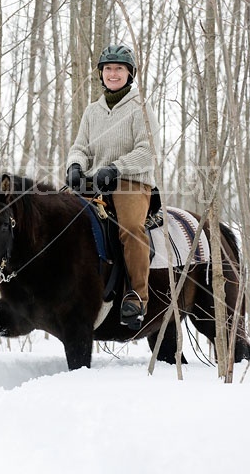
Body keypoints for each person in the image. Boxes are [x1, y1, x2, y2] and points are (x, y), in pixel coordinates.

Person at [66, 44, 160, 330]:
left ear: (129, 73)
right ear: (101, 74)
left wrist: (117, 168)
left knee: (131, 228)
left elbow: (149, 150)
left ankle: (136, 297)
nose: (113, 73)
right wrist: (74, 166)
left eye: (119, 68)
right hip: (95, 183)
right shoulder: (92, 111)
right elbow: (80, 146)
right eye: (108, 69)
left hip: (132, 182)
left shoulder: (140, 107)